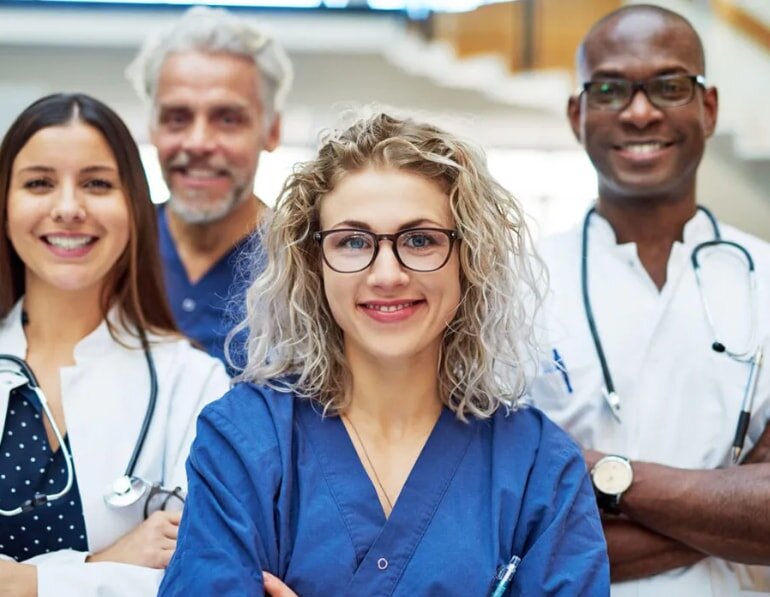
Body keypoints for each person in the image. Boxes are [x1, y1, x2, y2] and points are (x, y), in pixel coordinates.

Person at [157, 112, 609, 597]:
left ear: (468, 258)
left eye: (420, 240)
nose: (387, 274)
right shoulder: (245, 441)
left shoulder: (537, 466)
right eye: (353, 242)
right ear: (315, 264)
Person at [529, 5, 770, 595]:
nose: (640, 112)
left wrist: (599, 477)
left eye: (668, 85)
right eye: (609, 89)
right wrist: (732, 506)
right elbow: (512, 526)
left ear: (707, 108)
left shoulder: (765, 278)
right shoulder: (512, 284)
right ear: (577, 113)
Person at [0, 93, 230, 596]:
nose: (68, 208)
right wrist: (98, 565)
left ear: (135, 207)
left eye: (97, 184)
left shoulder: (192, 382)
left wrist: (22, 581)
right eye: (39, 183)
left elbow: (200, 579)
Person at [126, 6, 293, 368]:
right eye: (177, 118)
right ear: (152, 128)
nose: (198, 143)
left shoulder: (305, 268)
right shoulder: (115, 255)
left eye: (228, 119)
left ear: (272, 131)